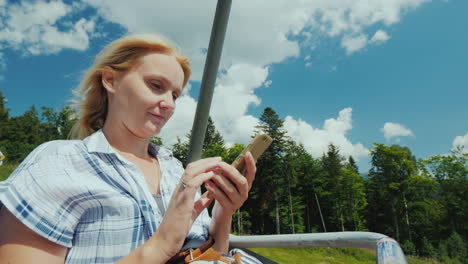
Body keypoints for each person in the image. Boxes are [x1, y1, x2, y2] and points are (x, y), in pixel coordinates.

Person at [0, 34, 257, 264]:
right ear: (111, 80)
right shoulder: (58, 162)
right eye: (156, 85)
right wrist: (161, 246)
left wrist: (223, 213)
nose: (169, 103)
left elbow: (215, 255)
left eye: (175, 95)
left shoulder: (175, 169)